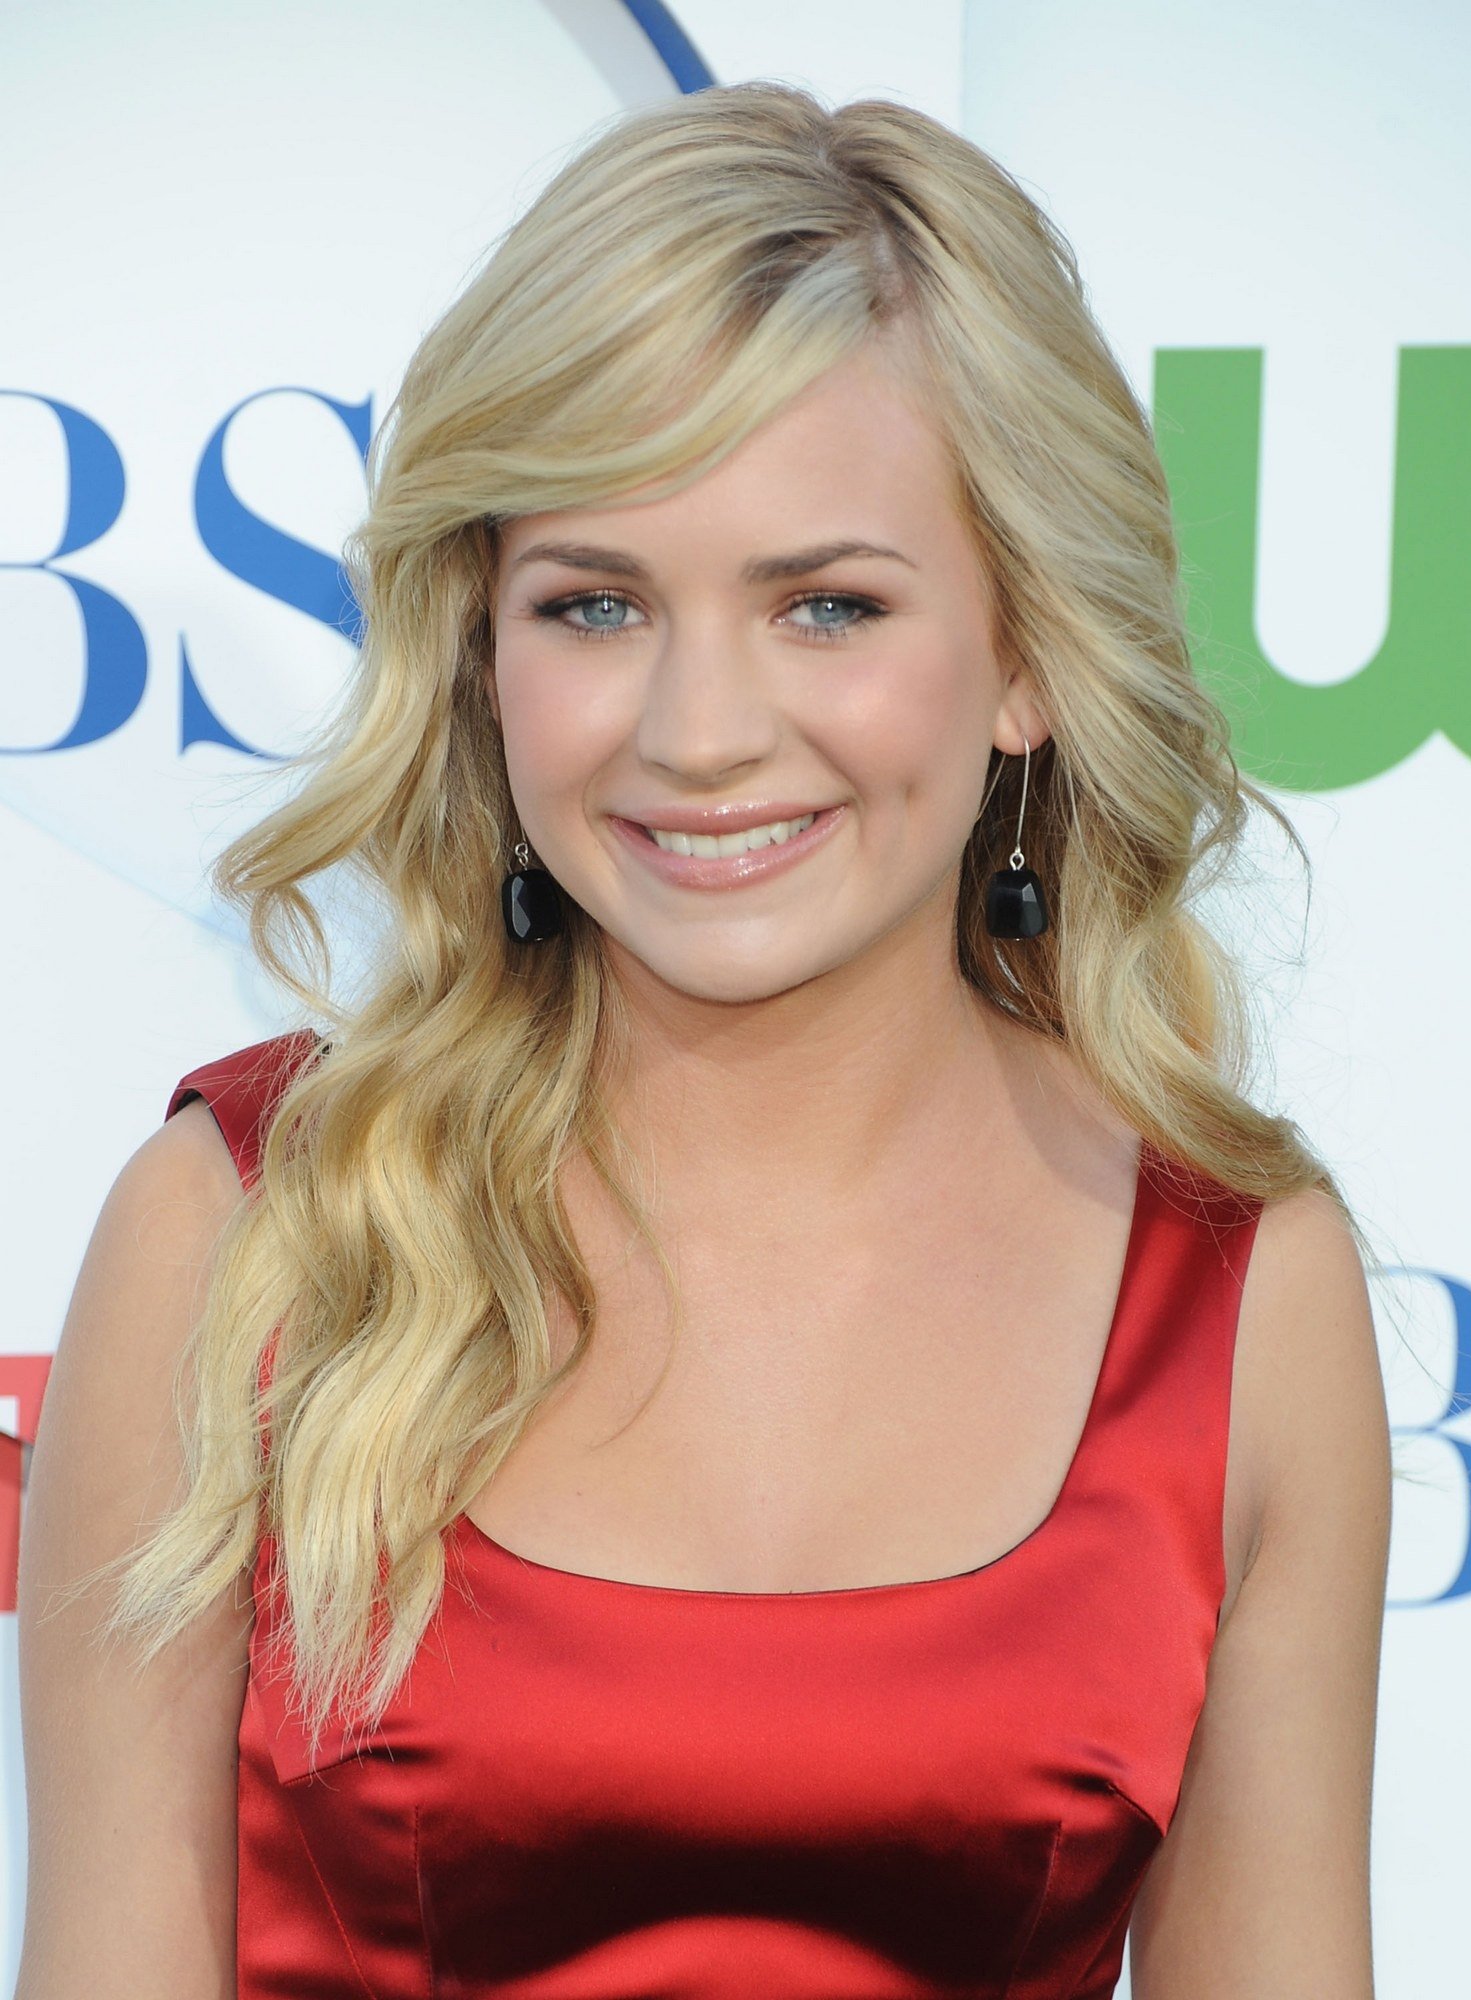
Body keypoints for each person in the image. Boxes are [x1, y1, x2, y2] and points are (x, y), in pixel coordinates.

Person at [17, 81, 1392, 2000]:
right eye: (596, 605)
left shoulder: (1238, 1292)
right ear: (483, 654)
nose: (700, 732)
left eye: (825, 605)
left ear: (1025, 654)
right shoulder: (243, 1235)